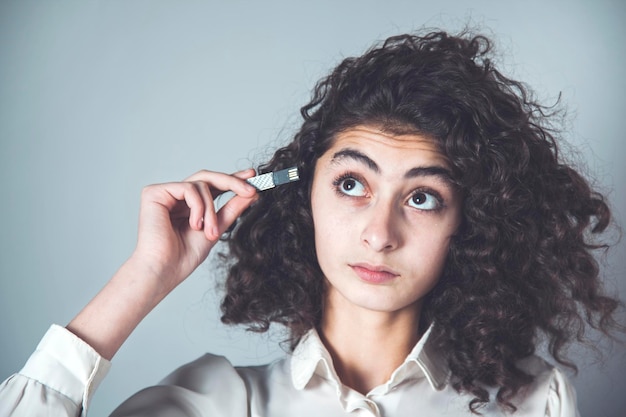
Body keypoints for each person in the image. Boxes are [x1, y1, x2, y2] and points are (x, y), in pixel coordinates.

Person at [0, 29, 622, 417]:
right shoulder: (217, 403)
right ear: (305, 199)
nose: (381, 233)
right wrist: (143, 277)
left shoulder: (533, 403)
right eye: (352, 185)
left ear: (472, 224)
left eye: (423, 197)